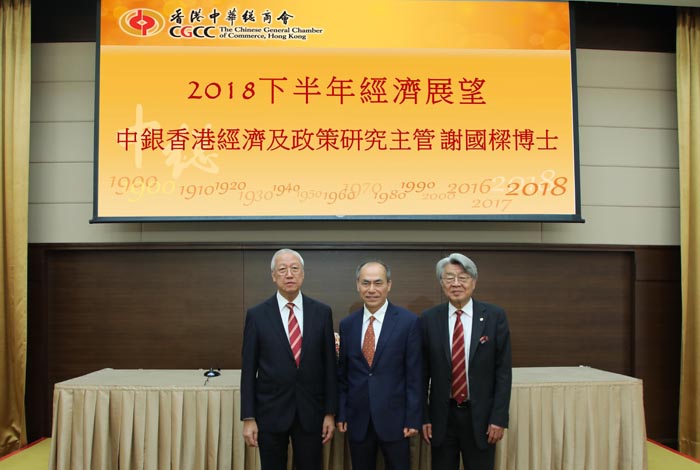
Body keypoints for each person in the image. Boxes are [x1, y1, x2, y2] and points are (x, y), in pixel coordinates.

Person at [240, 248, 337, 470]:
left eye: (295, 268)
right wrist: (248, 417)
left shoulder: (322, 312)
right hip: (270, 413)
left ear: (303, 274)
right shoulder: (257, 315)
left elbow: (330, 367)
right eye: (282, 269)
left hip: (311, 413)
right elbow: (248, 370)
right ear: (273, 276)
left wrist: (330, 413)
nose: (289, 274)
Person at [421, 253, 512, 470]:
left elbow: (503, 372)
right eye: (449, 278)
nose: (456, 284)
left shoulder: (494, 316)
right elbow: (421, 374)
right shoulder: (429, 319)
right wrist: (424, 417)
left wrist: (498, 418)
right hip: (442, 418)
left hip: (481, 418)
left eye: (462, 278)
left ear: (474, 281)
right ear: (441, 283)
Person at [336, 260, 422, 470]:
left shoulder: (408, 322)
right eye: (366, 283)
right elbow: (343, 374)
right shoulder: (348, 325)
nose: (371, 289)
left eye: (378, 283)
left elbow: (414, 375)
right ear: (358, 285)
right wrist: (342, 412)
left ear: (389, 285)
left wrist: (413, 418)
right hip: (358, 419)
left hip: (396, 420)